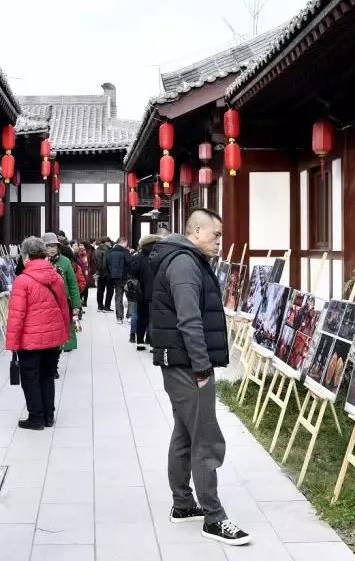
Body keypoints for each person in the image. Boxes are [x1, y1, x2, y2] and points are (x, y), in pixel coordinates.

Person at [149, 209, 250, 546]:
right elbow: (189, 320)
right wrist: (202, 367)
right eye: (215, 235)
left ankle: (182, 503)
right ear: (195, 231)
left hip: (179, 362)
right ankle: (214, 517)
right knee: (205, 438)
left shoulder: (187, 259)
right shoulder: (184, 263)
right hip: (187, 366)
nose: (221, 242)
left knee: (185, 433)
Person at [6, 237, 71, 430]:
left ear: (26, 256)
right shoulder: (56, 277)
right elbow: (63, 307)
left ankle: (36, 417)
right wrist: (64, 332)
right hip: (53, 338)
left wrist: (12, 343)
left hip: (30, 340)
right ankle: (49, 416)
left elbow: (17, 316)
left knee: (30, 378)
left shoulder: (22, 280)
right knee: (47, 376)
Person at [42, 233, 81, 354]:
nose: (52, 249)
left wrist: (76, 305)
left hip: (62, 302)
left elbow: (73, 285)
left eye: (54, 246)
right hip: (43, 304)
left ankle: (54, 365)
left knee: (62, 332)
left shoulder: (65, 261)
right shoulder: (39, 262)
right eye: (48, 246)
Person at [127, 234, 162, 351]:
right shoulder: (160, 257)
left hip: (141, 292)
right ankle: (153, 344)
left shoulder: (138, 257)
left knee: (141, 317)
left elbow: (132, 272)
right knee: (154, 319)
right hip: (157, 293)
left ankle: (140, 342)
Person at [106, 238, 130, 324]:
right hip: (126, 277)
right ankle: (129, 315)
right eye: (126, 243)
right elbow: (130, 263)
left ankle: (119, 318)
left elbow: (107, 265)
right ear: (123, 242)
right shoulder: (125, 252)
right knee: (130, 297)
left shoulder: (110, 252)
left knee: (118, 297)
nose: (127, 245)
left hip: (115, 278)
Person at [93, 237, 112, 312]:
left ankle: (100, 306)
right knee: (109, 290)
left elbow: (93, 262)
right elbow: (104, 263)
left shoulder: (96, 250)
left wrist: (97, 272)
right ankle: (107, 307)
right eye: (109, 242)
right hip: (106, 273)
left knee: (100, 290)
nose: (110, 243)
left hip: (99, 273)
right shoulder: (107, 250)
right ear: (106, 242)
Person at [73, 242, 93, 308]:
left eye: (82, 245)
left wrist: (89, 270)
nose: (81, 246)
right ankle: (81, 301)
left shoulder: (87, 253)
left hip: (86, 272)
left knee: (86, 287)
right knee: (81, 286)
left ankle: (85, 301)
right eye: (80, 245)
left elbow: (89, 263)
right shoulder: (76, 253)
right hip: (80, 272)